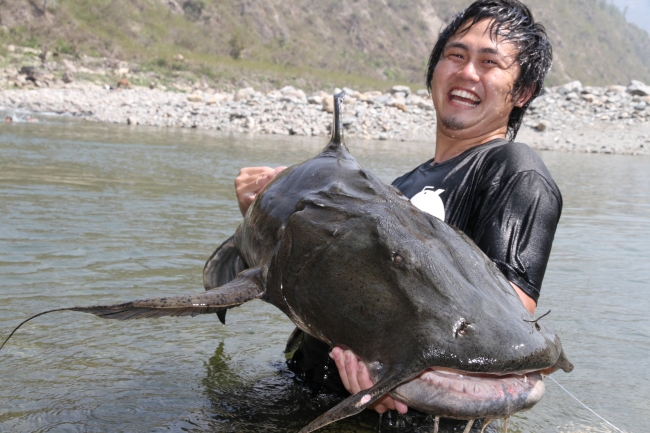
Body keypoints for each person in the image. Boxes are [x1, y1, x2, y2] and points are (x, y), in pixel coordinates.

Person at [233, 0, 560, 417]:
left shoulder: (515, 170)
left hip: (399, 420)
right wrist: (267, 210)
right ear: (434, 69)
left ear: (523, 91)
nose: (466, 73)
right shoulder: (400, 187)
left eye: (489, 62)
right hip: (306, 390)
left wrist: (398, 374)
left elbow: (509, 326)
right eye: (455, 55)